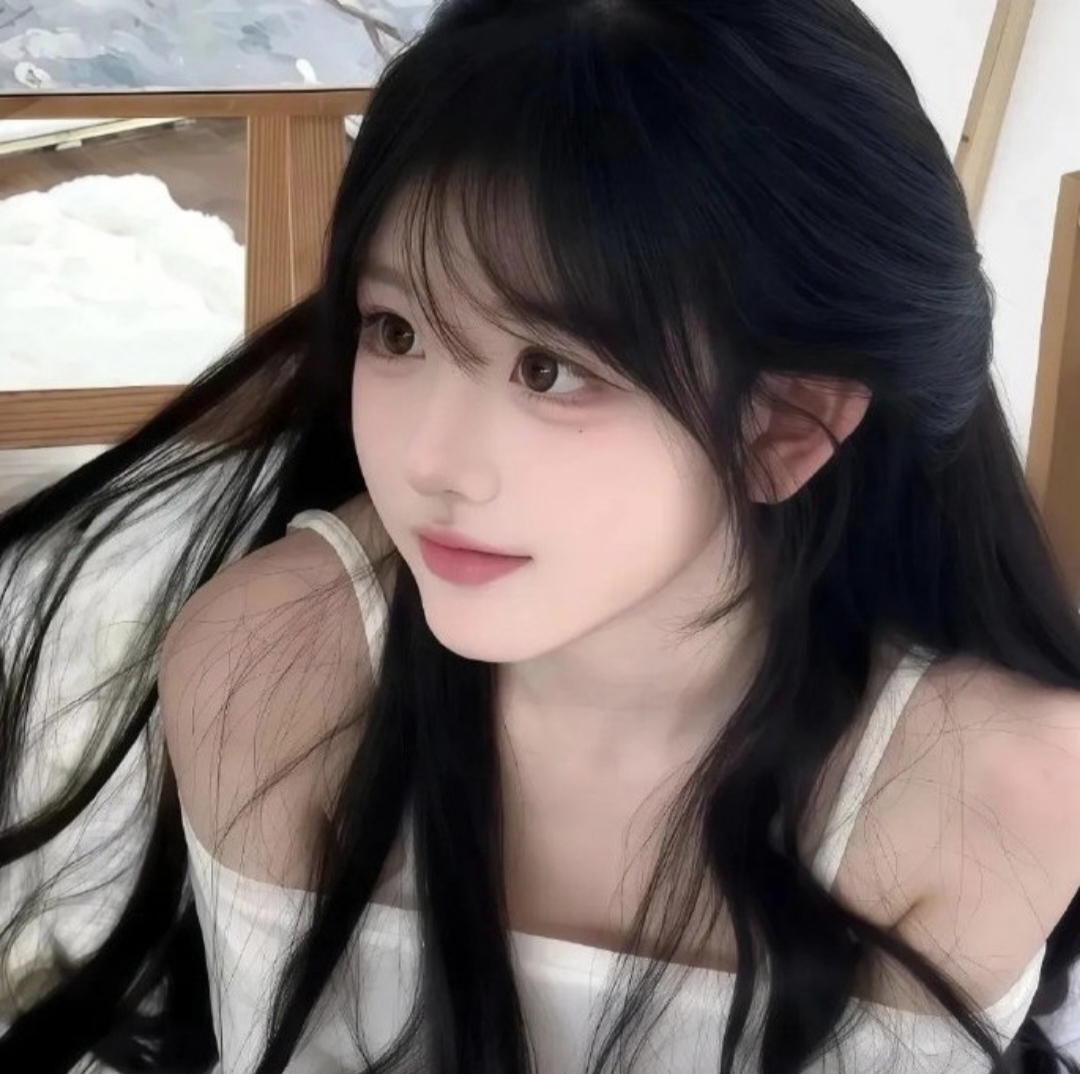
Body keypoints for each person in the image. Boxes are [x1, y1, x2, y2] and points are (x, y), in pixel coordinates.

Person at [2, 0, 1080, 1071]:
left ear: (785, 427)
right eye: (397, 331)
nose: (429, 461)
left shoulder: (988, 788)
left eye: (549, 370)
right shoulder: (275, 669)